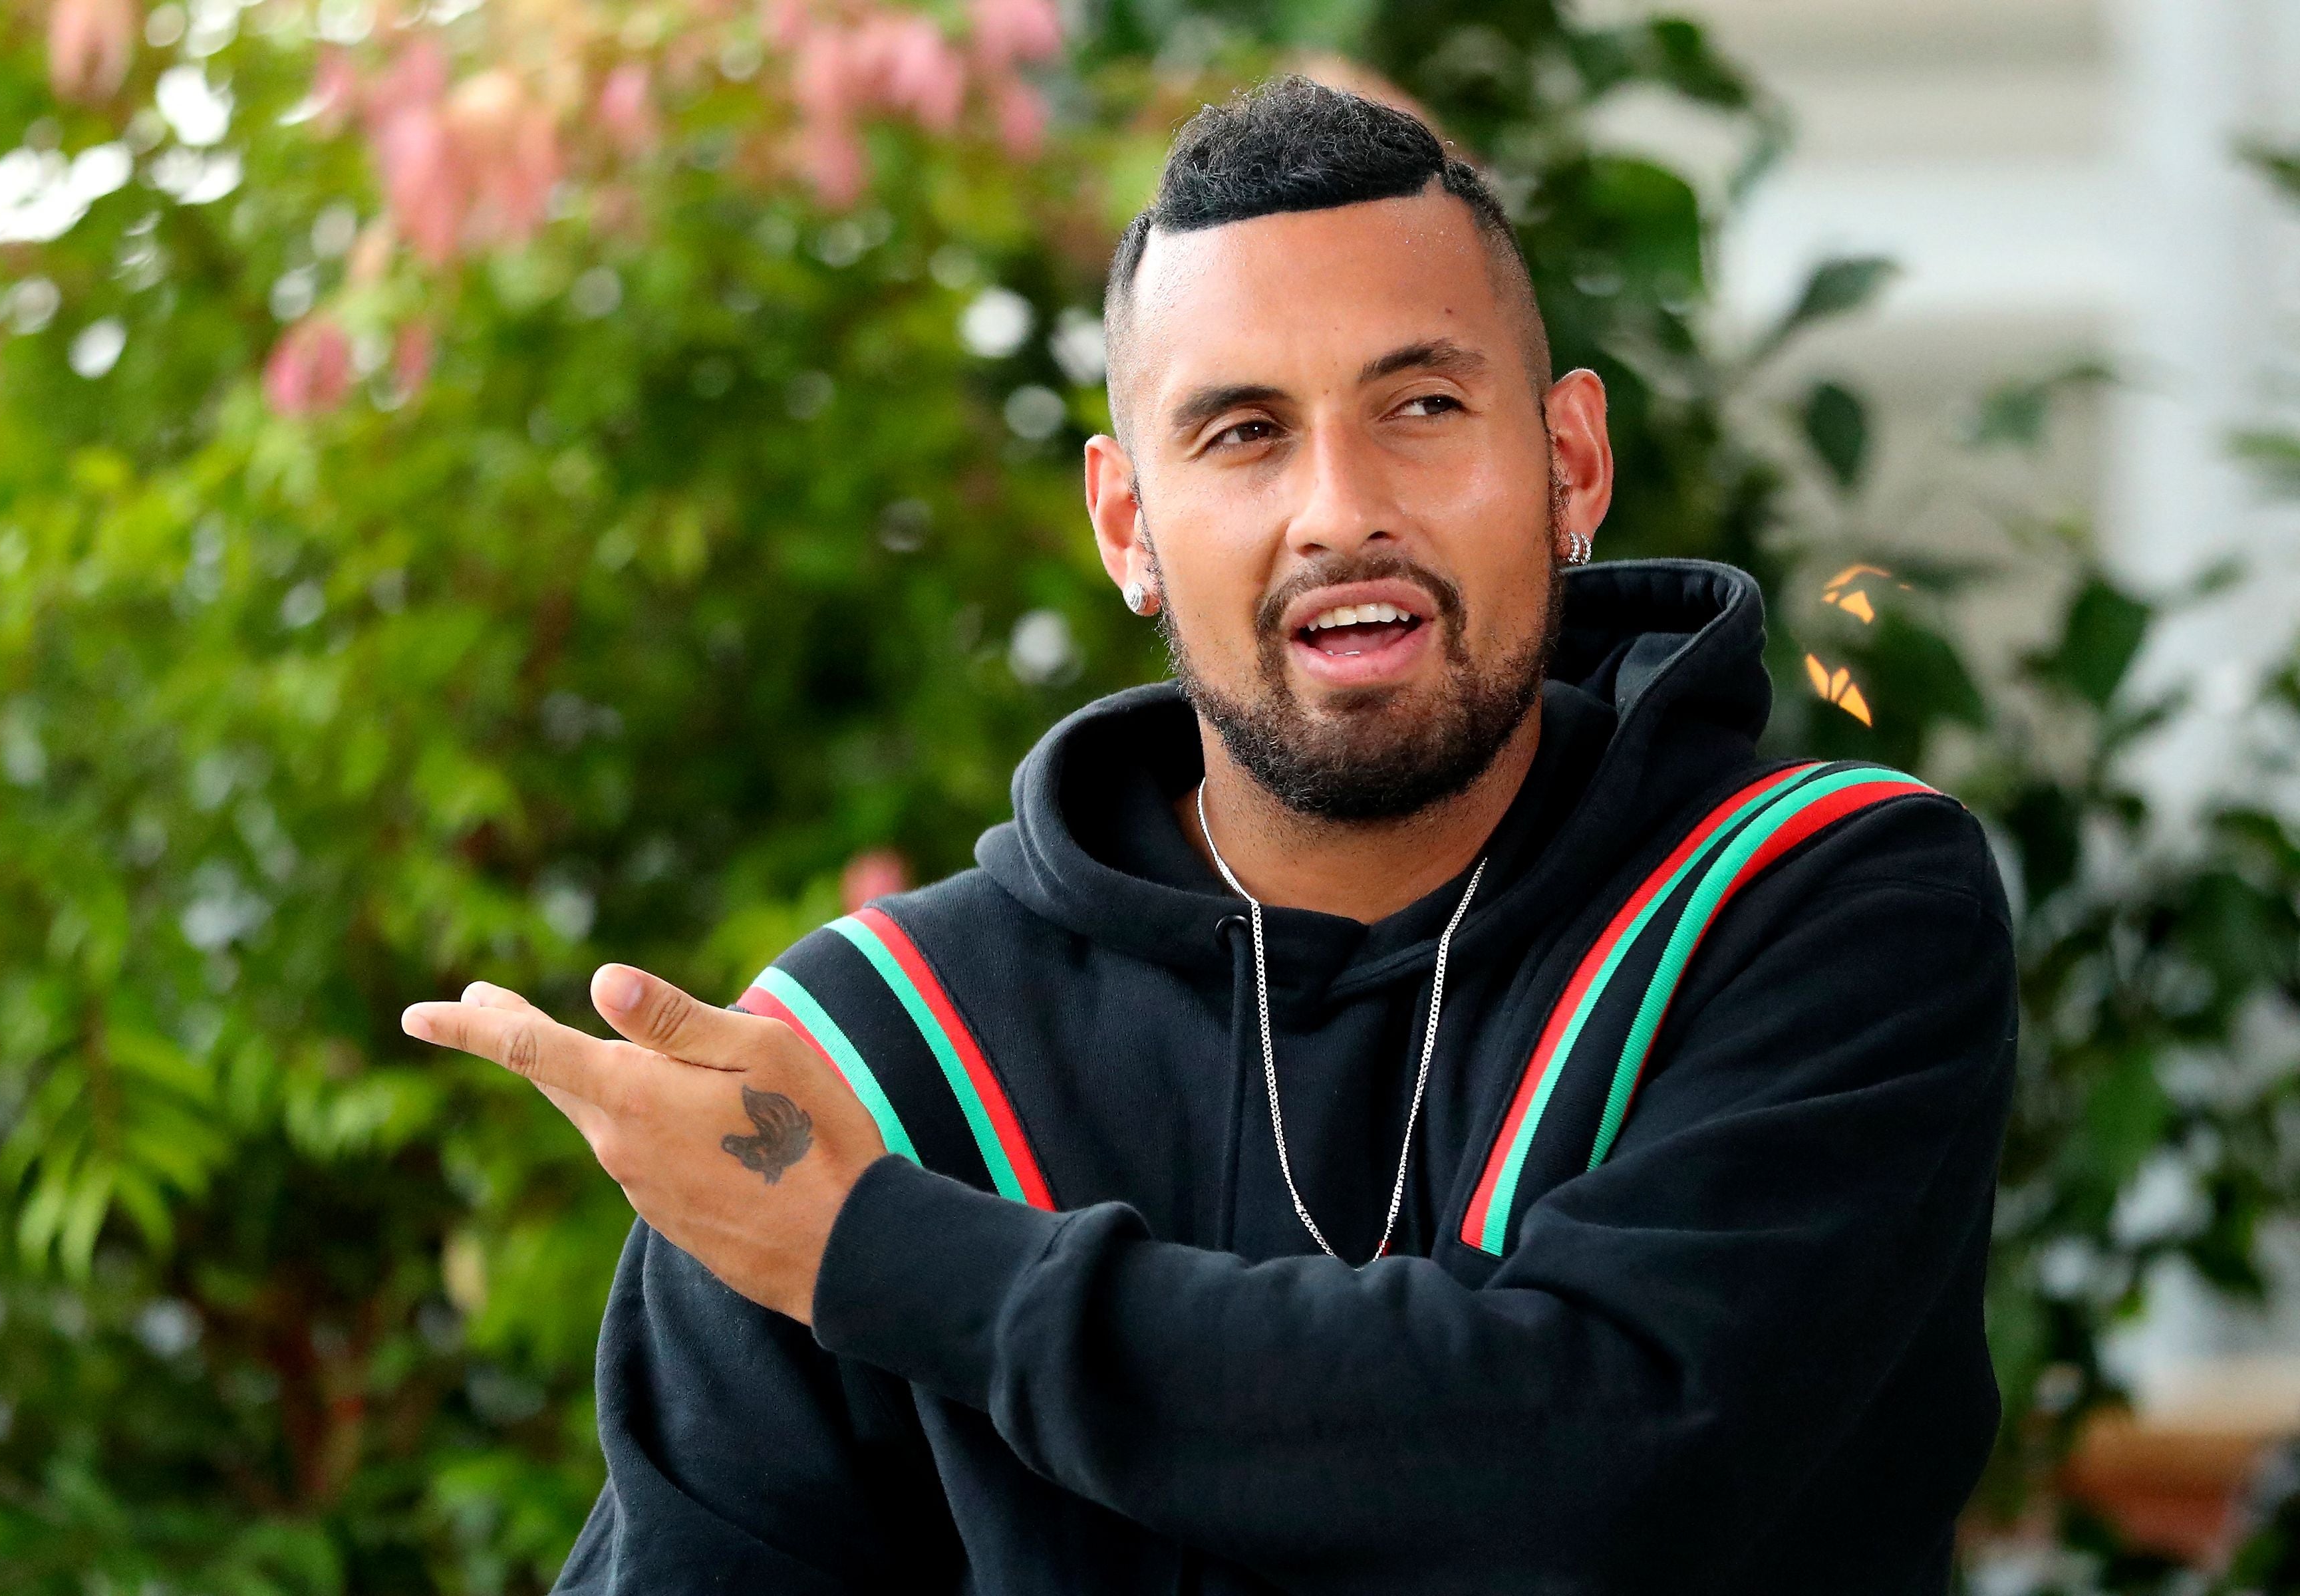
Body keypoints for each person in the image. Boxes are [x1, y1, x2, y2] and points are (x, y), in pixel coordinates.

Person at [402, 76, 2017, 1595]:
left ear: (1570, 457)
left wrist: (875, 1252)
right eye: (1244, 433)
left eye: (1425, 404)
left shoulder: (1822, 904)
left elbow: (1608, 1459)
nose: (1337, 507)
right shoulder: (860, 1065)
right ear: (1126, 523)